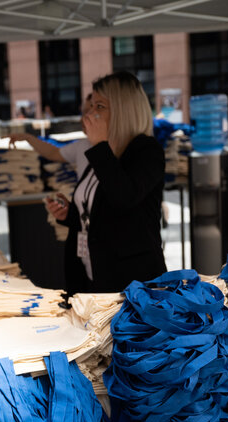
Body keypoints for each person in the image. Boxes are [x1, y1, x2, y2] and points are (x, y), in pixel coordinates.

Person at [46, 72, 166, 294]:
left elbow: (125, 199)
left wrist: (100, 146)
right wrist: (69, 213)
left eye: (99, 106)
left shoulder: (146, 151)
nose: (90, 114)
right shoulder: (105, 152)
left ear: (123, 111)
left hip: (132, 283)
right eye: (91, 106)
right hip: (92, 276)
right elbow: (100, 214)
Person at [7, 93, 93, 175]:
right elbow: (54, 153)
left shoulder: (102, 152)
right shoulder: (84, 145)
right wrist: (28, 137)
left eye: (87, 113)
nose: (81, 120)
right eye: (83, 113)